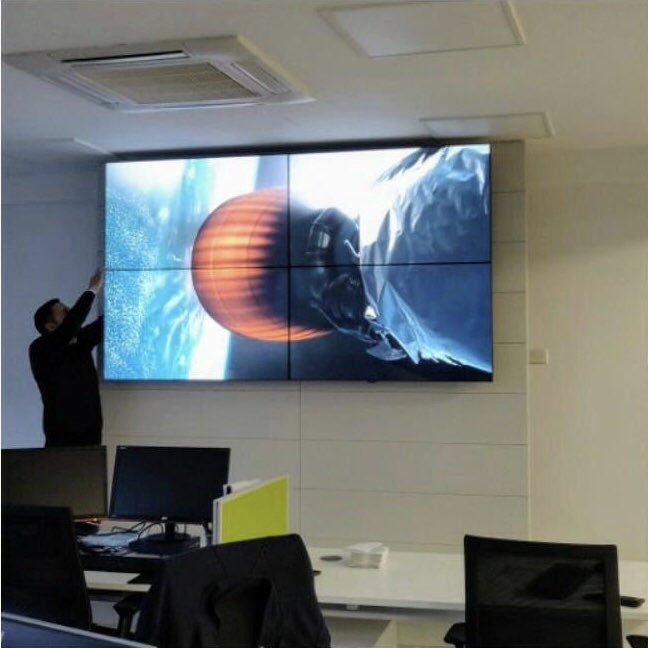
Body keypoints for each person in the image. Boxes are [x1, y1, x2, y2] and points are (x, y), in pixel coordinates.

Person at [29, 269, 104, 447]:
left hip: (91, 440)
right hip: (61, 443)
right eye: (65, 312)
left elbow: (107, 323)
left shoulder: (79, 342)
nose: (71, 313)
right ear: (50, 326)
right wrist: (92, 289)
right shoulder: (40, 349)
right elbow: (70, 326)